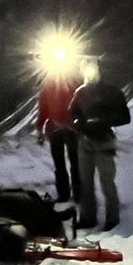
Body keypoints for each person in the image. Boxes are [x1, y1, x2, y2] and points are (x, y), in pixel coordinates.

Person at [69, 62, 130, 232]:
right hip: (85, 141)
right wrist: (79, 124)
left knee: (107, 182)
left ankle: (112, 218)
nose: (89, 73)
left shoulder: (111, 92)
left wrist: (102, 121)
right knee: (85, 182)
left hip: (104, 141)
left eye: (92, 70)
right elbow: (73, 112)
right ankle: (88, 218)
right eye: (86, 70)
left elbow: (125, 117)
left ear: (99, 71)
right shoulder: (80, 92)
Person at [35, 72, 81, 202]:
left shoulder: (48, 90)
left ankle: (66, 194)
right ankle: (75, 194)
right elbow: (43, 112)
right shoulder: (73, 87)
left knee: (65, 163)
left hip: (60, 130)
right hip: (68, 129)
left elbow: (42, 113)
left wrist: (40, 130)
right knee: (72, 163)